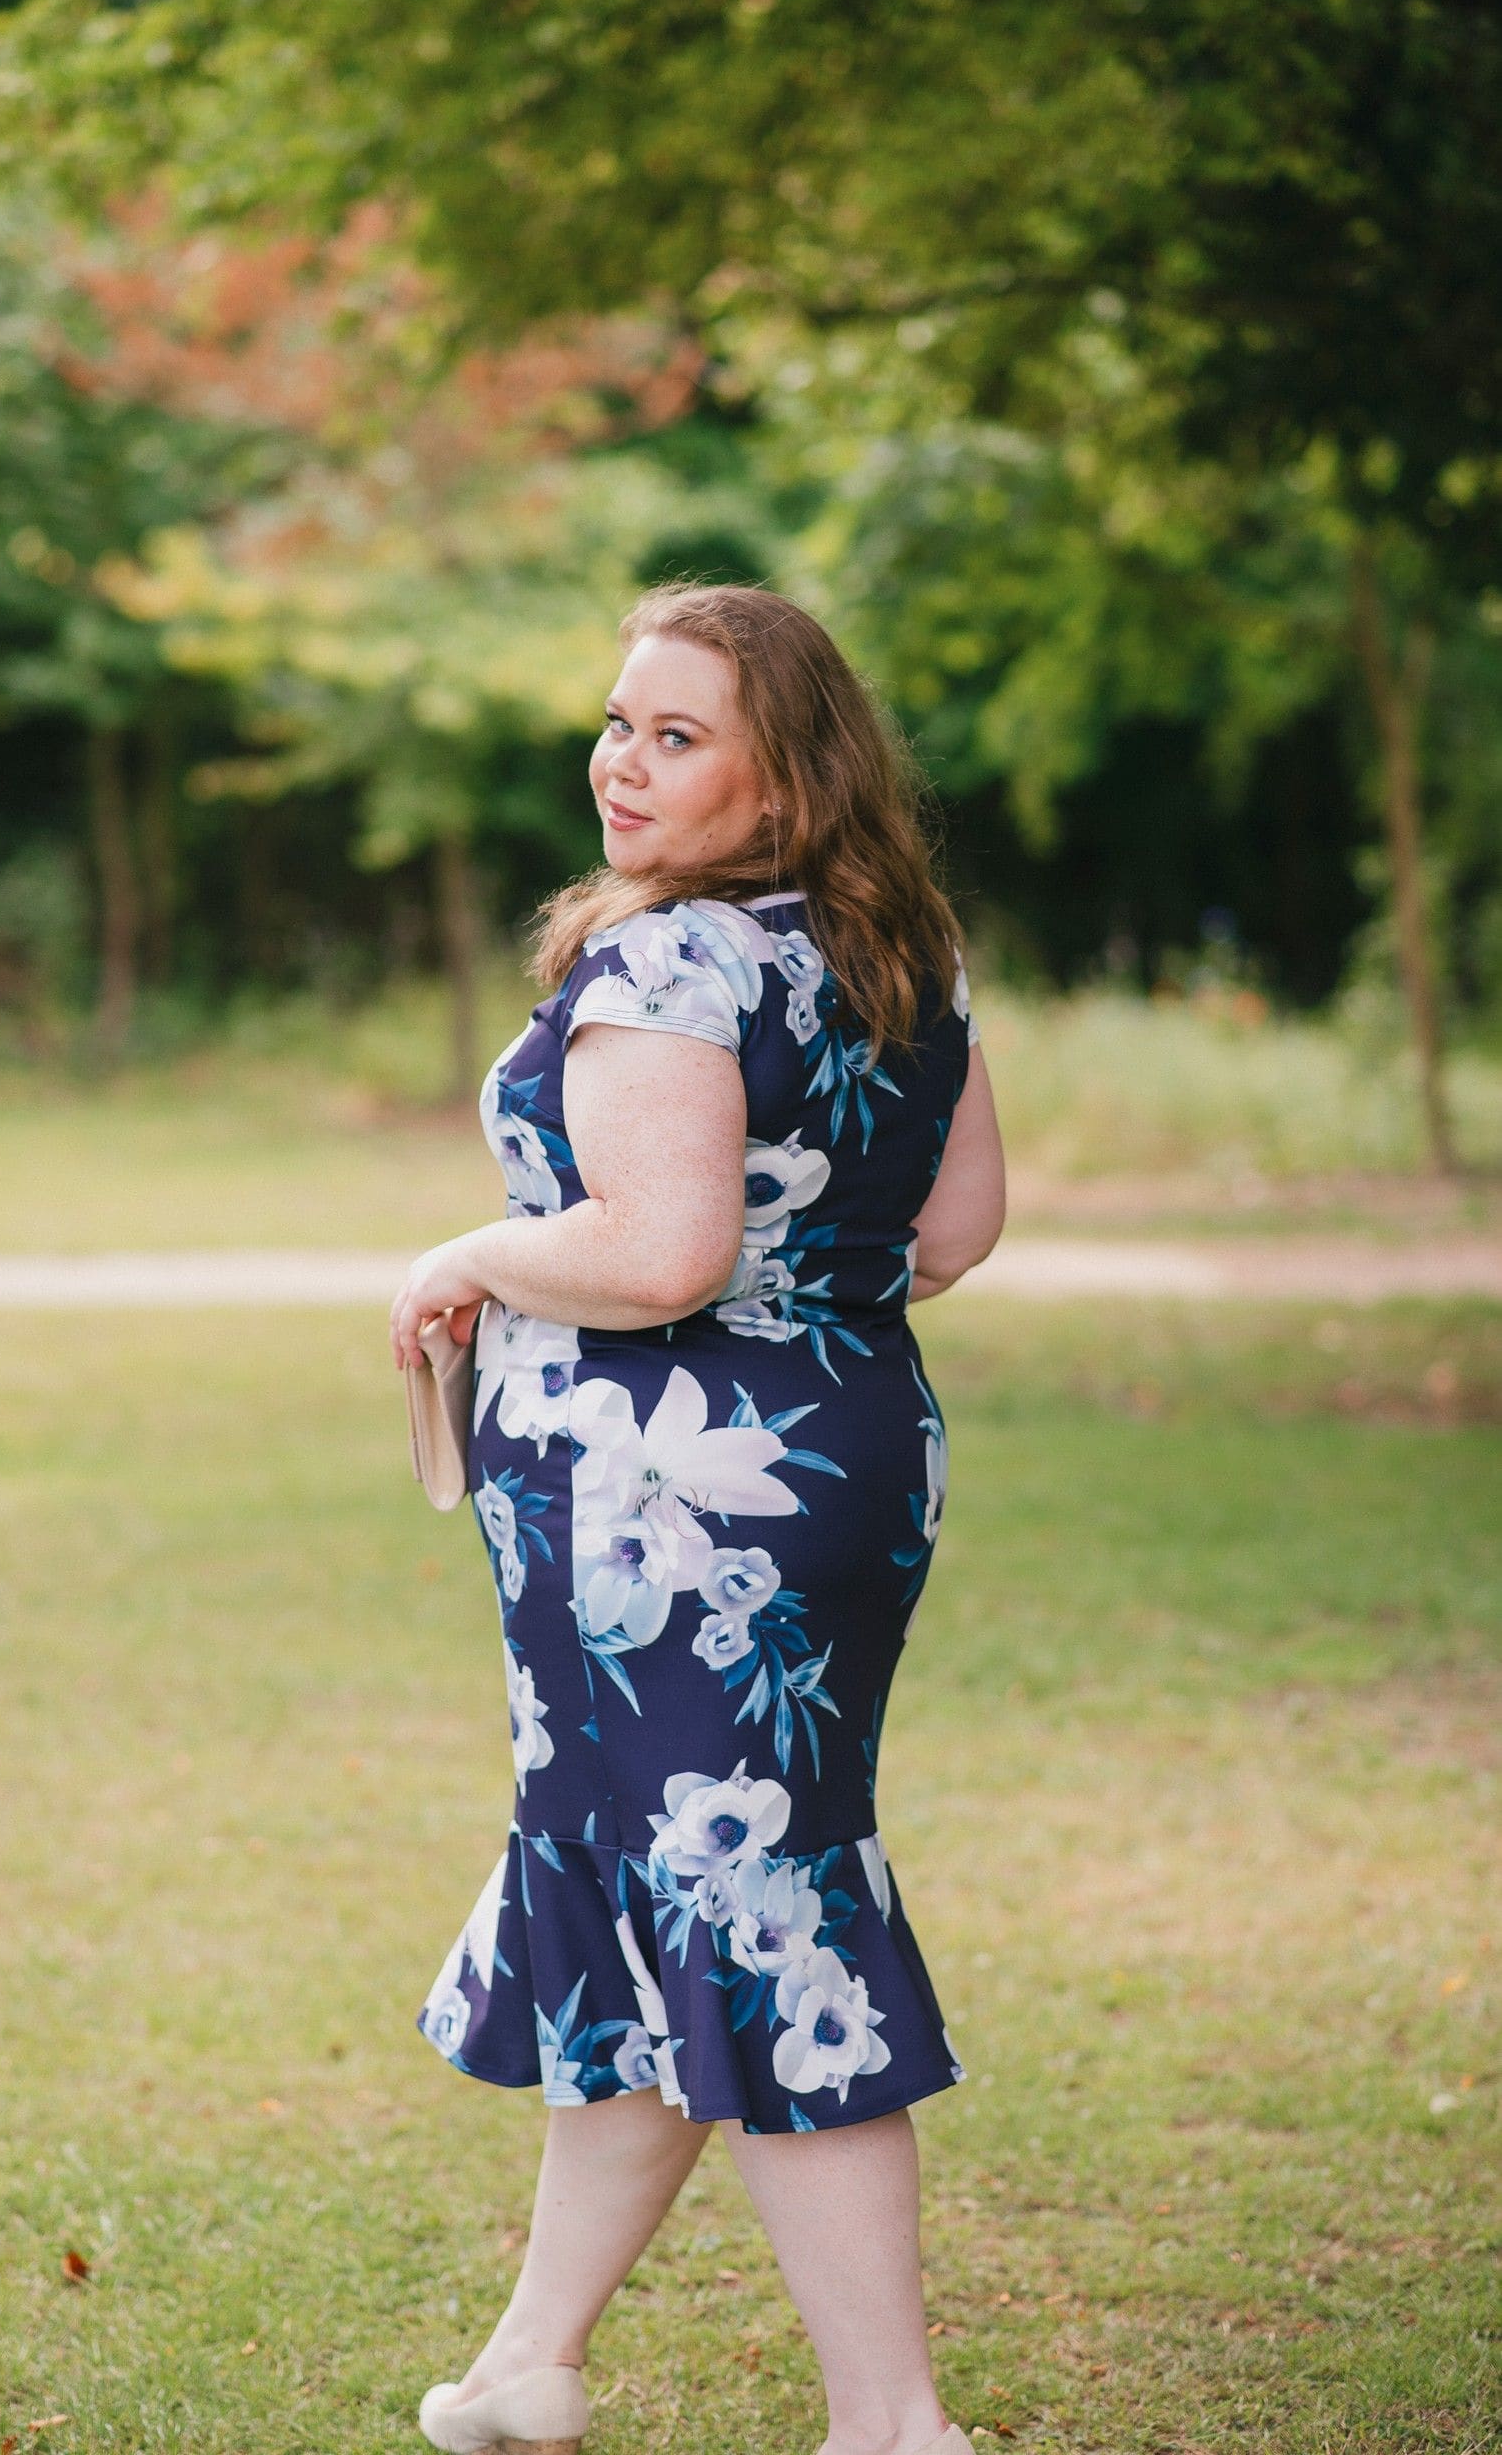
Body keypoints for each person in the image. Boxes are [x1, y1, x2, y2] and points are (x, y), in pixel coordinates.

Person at [389, 584, 1007, 2455]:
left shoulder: (666, 967)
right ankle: (529, 2362)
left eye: (676, 736)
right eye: (617, 723)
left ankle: (891, 2422)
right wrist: (794, 1298)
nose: (622, 763)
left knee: (754, 1905)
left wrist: (462, 1256)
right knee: (673, 1882)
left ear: (785, 777)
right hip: (840, 1457)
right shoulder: (897, 955)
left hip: (667, 1524)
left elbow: (655, 1255)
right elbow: (951, 1231)